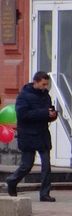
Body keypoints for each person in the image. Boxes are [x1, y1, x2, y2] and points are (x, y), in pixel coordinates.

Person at [5, 71, 58, 202]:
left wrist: (52, 115)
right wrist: (44, 112)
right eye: (43, 84)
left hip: (43, 134)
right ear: (35, 82)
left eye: (46, 84)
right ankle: (12, 181)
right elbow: (23, 115)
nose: (45, 87)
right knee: (26, 165)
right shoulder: (23, 96)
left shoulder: (45, 95)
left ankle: (45, 194)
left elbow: (47, 111)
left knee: (46, 166)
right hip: (28, 135)